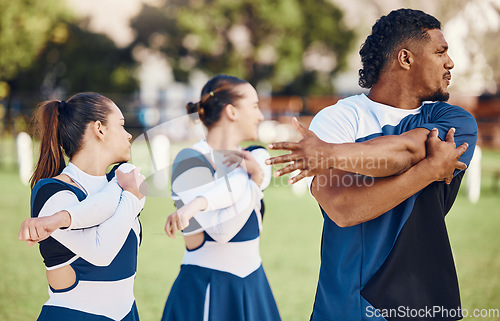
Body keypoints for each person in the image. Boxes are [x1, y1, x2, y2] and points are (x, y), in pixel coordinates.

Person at [267, 9, 477, 321]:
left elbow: (405, 151)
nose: (450, 63)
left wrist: (330, 154)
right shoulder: (337, 118)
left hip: (429, 302)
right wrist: (429, 169)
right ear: (405, 59)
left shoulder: (454, 120)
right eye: (440, 52)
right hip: (349, 304)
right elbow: (344, 209)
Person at [161, 75, 281, 321]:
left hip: (254, 284)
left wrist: (198, 203)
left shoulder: (256, 155)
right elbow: (222, 232)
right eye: (255, 106)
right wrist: (253, 181)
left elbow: (240, 185)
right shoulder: (190, 161)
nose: (260, 116)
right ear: (232, 111)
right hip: (207, 288)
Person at [18, 92, 146, 321]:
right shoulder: (51, 193)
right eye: (122, 125)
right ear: (100, 128)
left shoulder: (123, 181)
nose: (129, 136)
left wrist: (126, 190)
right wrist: (130, 195)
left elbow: (101, 206)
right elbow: (101, 253)